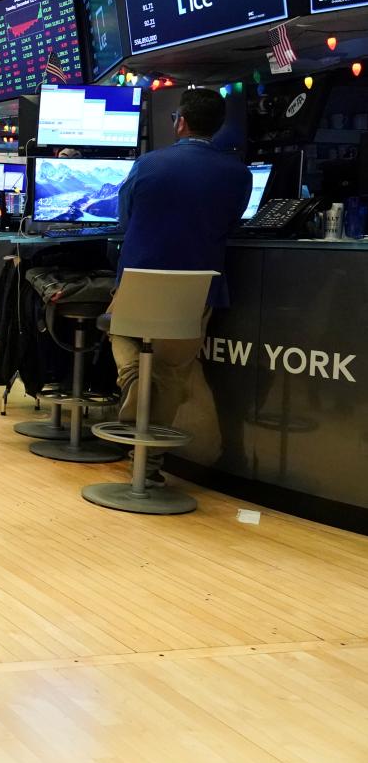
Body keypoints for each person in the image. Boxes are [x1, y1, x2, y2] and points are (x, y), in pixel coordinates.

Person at [112, 88, 252, 480]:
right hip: (196, 293)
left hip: (136, 288)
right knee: (172, 372)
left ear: (181, 121)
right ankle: (150, 463)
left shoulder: (147, 164)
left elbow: (125, 221)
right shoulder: (239, 174)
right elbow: (231, 225)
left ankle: (135, 389)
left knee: (123, 338)